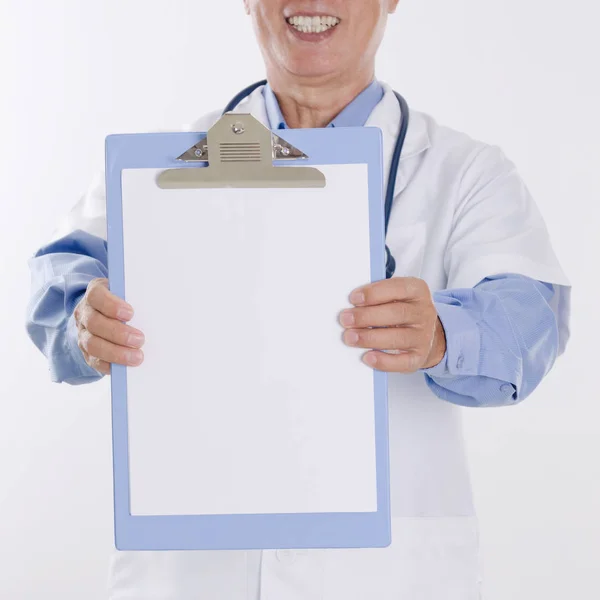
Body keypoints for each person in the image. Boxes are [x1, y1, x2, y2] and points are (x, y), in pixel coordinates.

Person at [25, 1, 571, 599]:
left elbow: (530, 324)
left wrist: (444, 334)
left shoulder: (464, 173)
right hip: (193, 572)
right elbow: (60, 279)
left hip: (386, 576)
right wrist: (84, 319)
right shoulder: (161, 166)